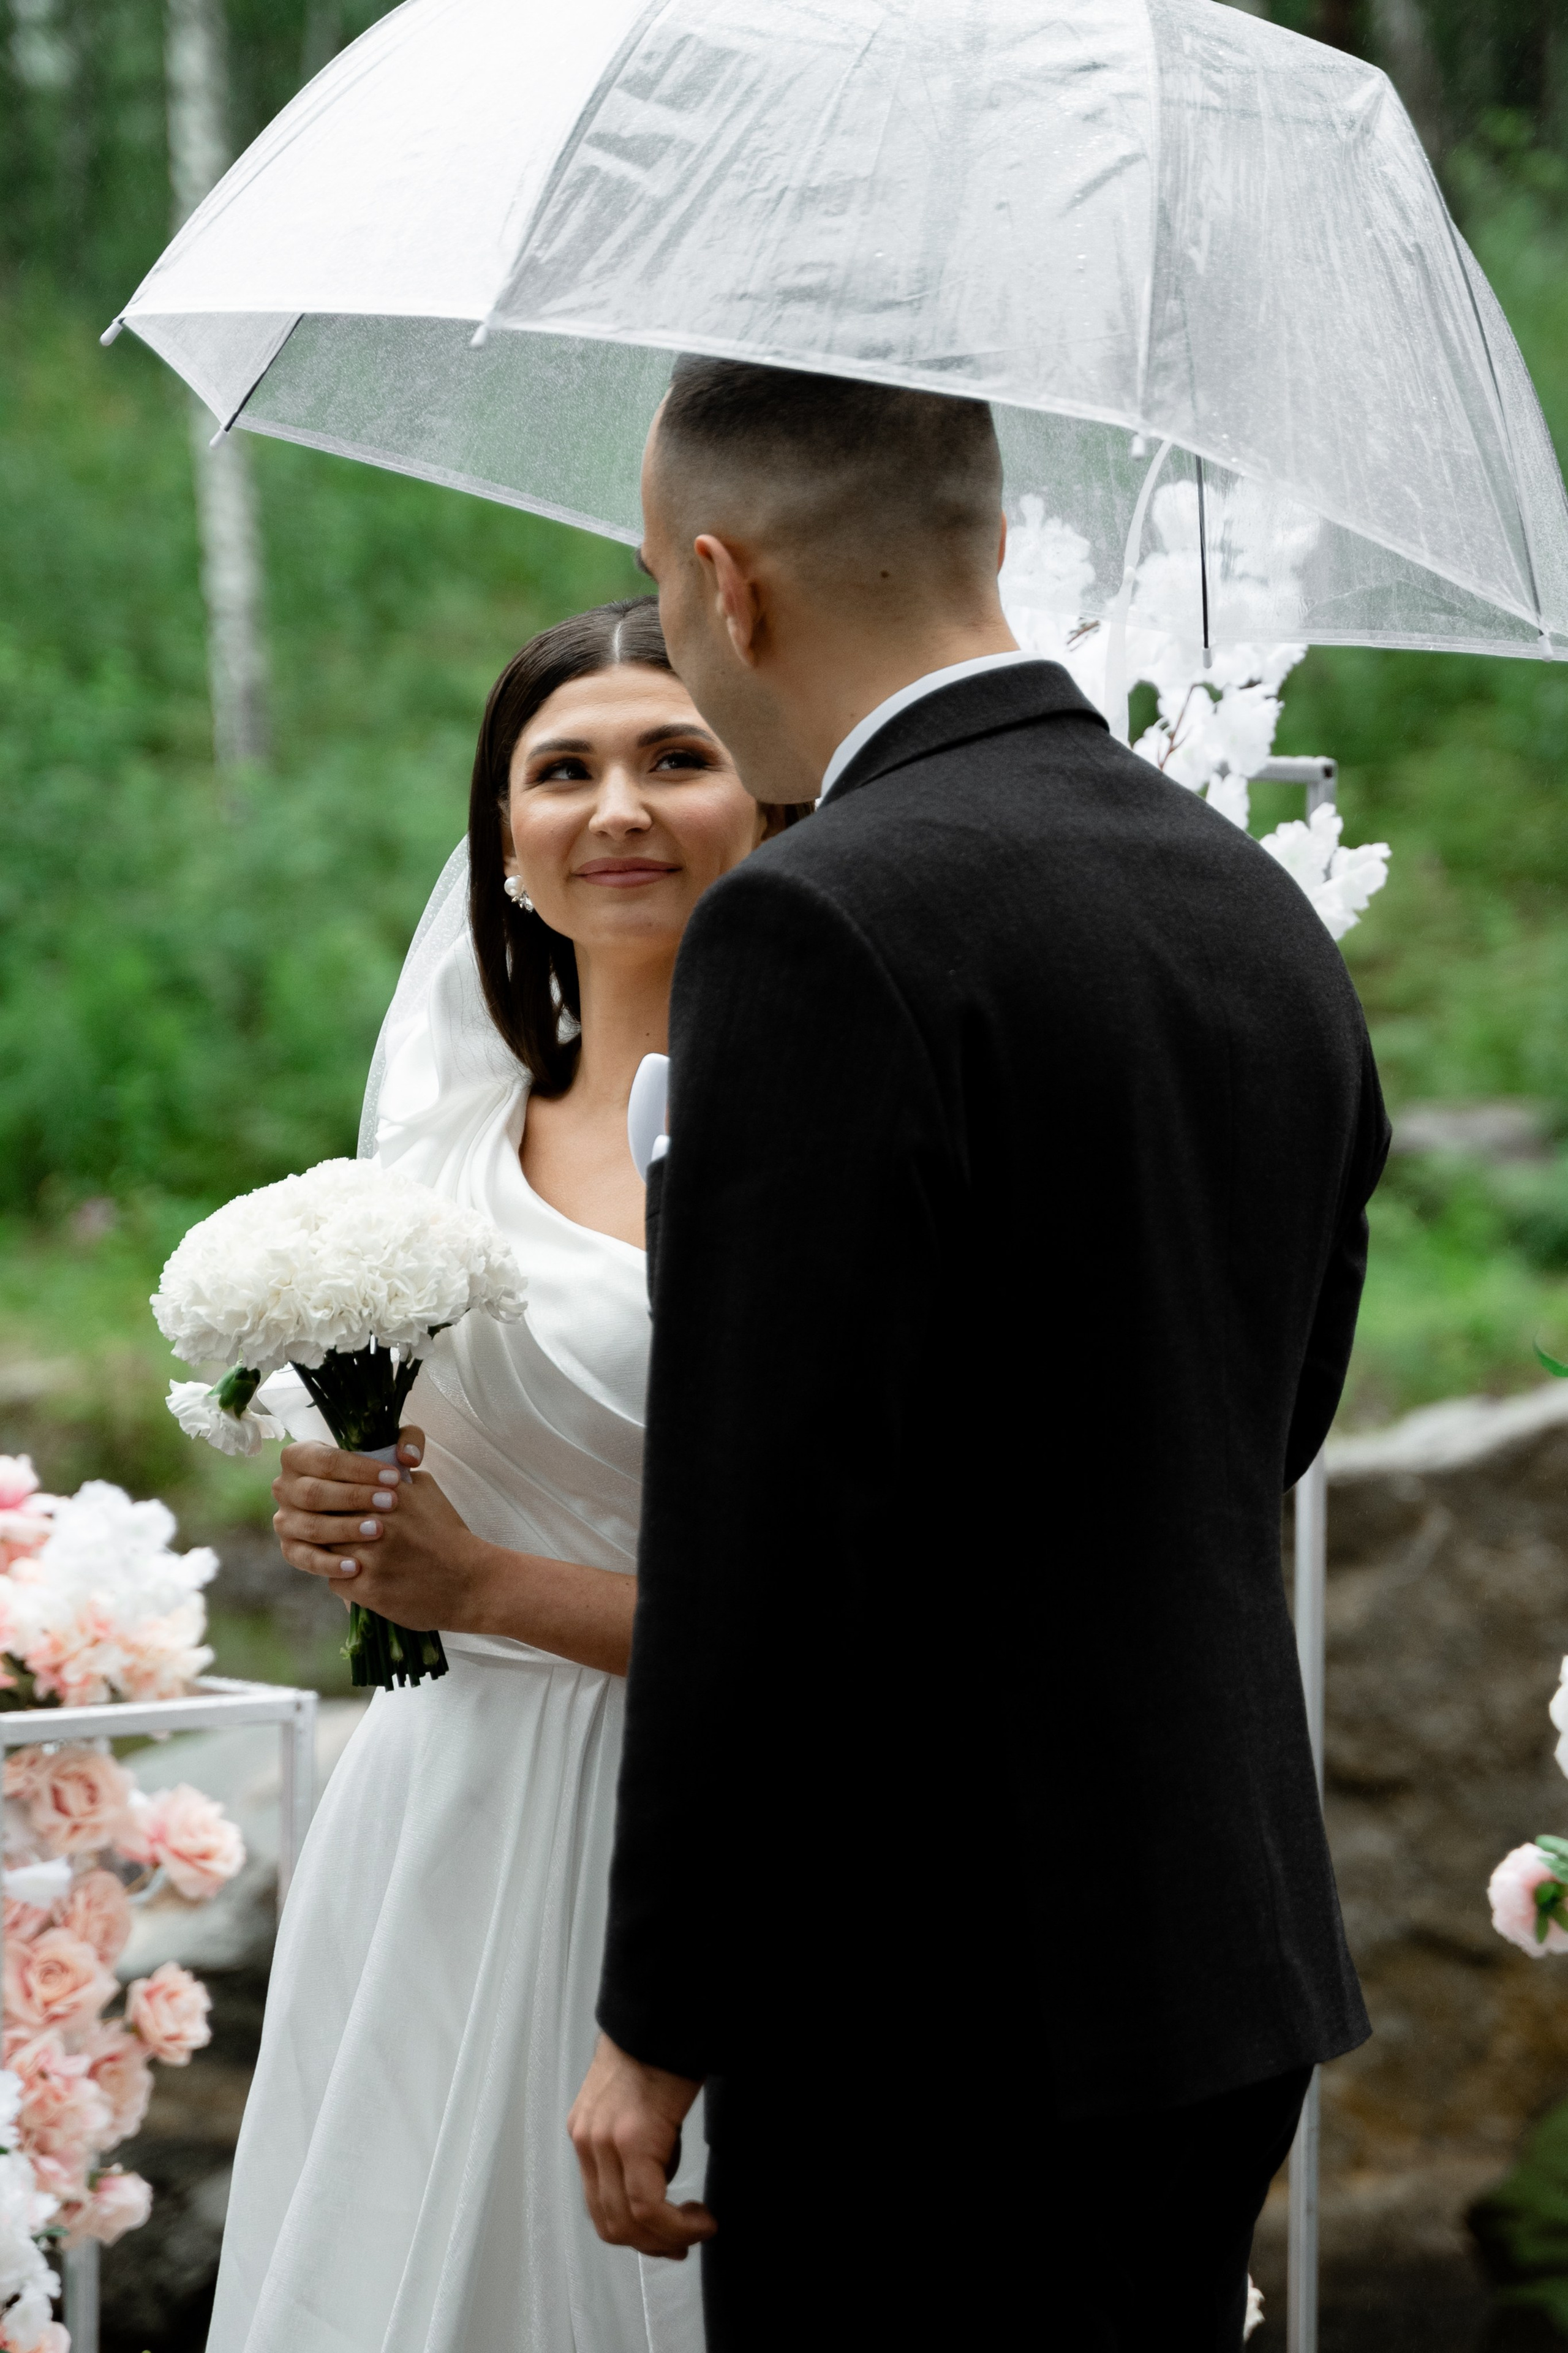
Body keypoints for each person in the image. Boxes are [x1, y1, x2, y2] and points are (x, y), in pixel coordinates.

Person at [568, 366, 1390, 2351]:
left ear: (720, 582)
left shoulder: (818, 923)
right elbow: (1272, 1412)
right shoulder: (1252, 903)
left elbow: (771, 1529)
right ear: (994, 539)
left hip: (938, 1991)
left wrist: (660, 2016)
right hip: (1219, 1948)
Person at [206, 597, 806, 2353]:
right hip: (439, 1816)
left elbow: (835, 1593)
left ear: (763, 801)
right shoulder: (436, 1152)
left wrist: (485, 1588)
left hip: (703, 1818)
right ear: (508, 845)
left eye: (674, 756)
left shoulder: (810, 1140)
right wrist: (340, 1499)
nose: (616, 806)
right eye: (565, 771)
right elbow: (414, 1476)